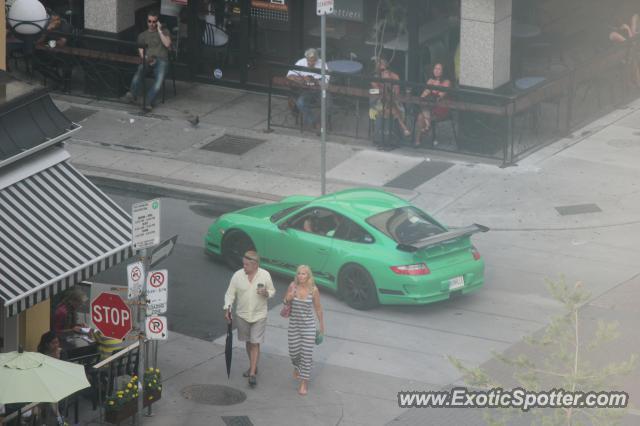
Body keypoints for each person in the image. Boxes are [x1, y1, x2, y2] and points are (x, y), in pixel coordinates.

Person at [223, 250, 275, 388]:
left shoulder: (265, 275)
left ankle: (252, 373)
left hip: (259, 315)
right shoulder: (237, 276)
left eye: (246, 265)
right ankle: (254, 365)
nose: (244, 267)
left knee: (255, 342)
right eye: (243, 264)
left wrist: (266, 293)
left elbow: (272, 291)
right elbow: (230, 294)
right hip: (242, 315)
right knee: (248, 342)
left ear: (255, 265)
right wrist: (227, 308)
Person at [283, 265, 325, 396]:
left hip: (308, 328)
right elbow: (285, 302)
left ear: (308, 276)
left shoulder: (313, 290)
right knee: (294, 352)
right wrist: (288, 298)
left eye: (304, 274)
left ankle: (303, 383)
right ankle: (297, 366)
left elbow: (318, 308)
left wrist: (322, 325)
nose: (301, 276)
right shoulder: (292, 286)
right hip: (294, 326)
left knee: (306, 355)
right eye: (299, 274)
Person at [124, 9, 172, 112]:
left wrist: (159, 30)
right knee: (140, 69)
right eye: (150, 21)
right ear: (147, 21)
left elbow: (167, 44)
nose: (152, 24)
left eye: (154, 22)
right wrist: (147, 59)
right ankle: (133, 94)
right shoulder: (142, 35)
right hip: (148, 59)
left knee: (159, 80)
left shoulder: (164, 31)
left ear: (157, 22)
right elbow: (141, 51)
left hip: (162, 60)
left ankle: (147, 101)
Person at [369, 57, 411, 149]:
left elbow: (396, 93)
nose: (384, 71)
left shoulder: (395, 76)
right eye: (382, 70)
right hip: (379, 101)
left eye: (386, 69)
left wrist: (389, 83)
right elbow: (374, 92)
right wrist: (384, 83)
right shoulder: (375, 78)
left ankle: (386, 140)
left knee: (389, 106)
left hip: (392, 101)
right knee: (388, 105)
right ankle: (403, 127)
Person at [287, 48, 328, 129]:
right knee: (300, 103)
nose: (311, 63)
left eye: (313, 61)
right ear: (306, 58)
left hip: (319, 91)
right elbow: (289, 75)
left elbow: (326, 83)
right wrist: (300, 79)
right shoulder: (301, 62)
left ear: (317, 59)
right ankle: (314, 122)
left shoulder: (323, 64)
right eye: (309, 60)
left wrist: (314, 80)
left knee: (328, 104)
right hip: (306, 91)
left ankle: (319, 122)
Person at [413, 63, 451, 147]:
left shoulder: (446, 82)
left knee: (421, 114)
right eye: (435, 68)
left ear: (443, 71)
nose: (436, 70)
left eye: (439, 69)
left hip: (440, 107)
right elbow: (423, 95)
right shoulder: (430, 80)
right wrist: (428, 89)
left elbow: (440, 96)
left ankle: (418, 140)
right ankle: (427, 126)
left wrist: (433, 87)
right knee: (421, 114)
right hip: (429, 106)